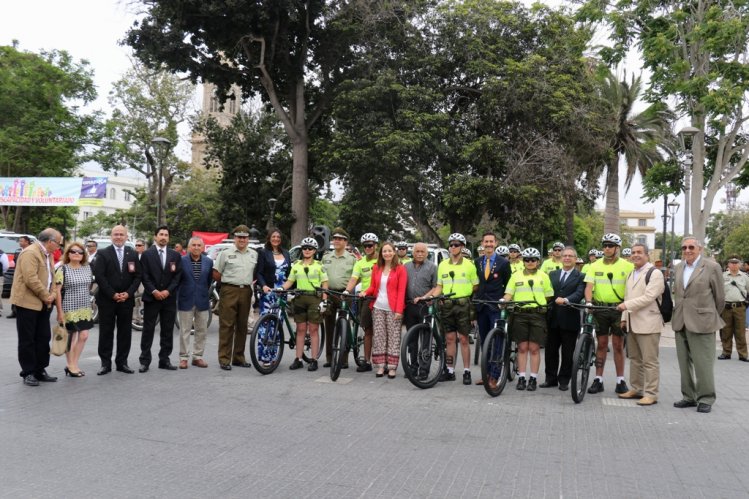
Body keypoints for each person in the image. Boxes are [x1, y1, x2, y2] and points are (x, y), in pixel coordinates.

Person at [672, 236, 724, 413]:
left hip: (703, 321)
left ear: (700, 249)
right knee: (684, 362)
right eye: (684, 247)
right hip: (681, 321)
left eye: (691, 247)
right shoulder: (679, 267)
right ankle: (689, 396)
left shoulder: (712, 267)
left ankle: (706, 398)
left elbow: (720, 298)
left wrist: (708, 315)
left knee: (703, 363)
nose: (687, 250)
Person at [419, 233, 478, 385]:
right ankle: (450, 371)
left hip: (463, 305)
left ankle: (467, 371)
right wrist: (432, 297)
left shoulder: (470, 265)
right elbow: (439, 286)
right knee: (450, 339)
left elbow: (475, 285)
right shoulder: (443, 265)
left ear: (462, 247)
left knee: (464, 339)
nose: (453, 247)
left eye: (456, 245)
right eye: (451, 245)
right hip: (447, 305)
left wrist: (465, 294)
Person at [614, 243, 664, 406]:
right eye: (633, 252)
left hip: (648, 322)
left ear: (647, 255)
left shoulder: (654, 273)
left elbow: (649, 297)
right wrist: (623, 318)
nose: (635, 255)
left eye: (639, 252)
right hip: (631, 322)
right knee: (635, 358)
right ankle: (637, 388)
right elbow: (626, 298)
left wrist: (626, 306)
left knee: (649, 360)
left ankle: (651, 393)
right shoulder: (631, 274)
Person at [584, 233, 634, 394]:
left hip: (619, 309)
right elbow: (589, 287)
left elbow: (632, 287)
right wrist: (589, 302)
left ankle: (620, 380)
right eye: (604, 245)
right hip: (600, 309)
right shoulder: (594, 265)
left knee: (618, 345)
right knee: (602, 345)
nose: (606, 248)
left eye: (610, 246)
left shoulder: (627, 266)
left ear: (617, 248)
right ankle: (598, 379)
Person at [11, 228, 62, 386]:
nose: (59, 246)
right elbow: (30, 279)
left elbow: (52, 278)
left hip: (44, 303)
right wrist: (46, 296)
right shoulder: (30, 253)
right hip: (28, 303)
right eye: (58, 243)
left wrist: (52, 294)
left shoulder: (48, 254)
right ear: (49, 241)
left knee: (43, 337)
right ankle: (28, 372)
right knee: (27, 339)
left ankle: (40, 369)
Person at [503, 247, 553, 391]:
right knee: (522, 347)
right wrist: (504, 300)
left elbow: (549, 295)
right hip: (520, 314)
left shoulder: (544, 276)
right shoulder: (516, 276)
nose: (530, 262)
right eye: (527, 260)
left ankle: (533, 379)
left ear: (538, 261)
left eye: (533, 260)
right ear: (523, 261)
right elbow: (509, 294)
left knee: (534, 348)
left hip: (537, 315)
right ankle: (522, 378)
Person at [94, 225, 141, 375]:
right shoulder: (102, 253)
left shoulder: (132, 254)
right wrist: (113, 294)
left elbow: (137, 276)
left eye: (122, 234)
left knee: (125, 332)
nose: (119, 237)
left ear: (127, 237)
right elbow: (99, 277)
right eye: (116, 234)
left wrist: (128, 293)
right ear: (111, 236)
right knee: (106, 332)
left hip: (126, 300)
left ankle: (122, 363)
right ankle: (105, 364)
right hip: (107, 300)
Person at [279, 237, 329, 371]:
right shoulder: (296, 265)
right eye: (305, 248)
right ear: (302, 250)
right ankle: (298, 359)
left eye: (310, 248)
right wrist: (282, 288)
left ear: (314, 251)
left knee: (313, 330)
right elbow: (290, 281)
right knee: (300, 330)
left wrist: (324, 301)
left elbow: (325, 284)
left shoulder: (319, 266)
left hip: (314, 298)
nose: (307, 250)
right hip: (300, 298)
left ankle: (314, 359)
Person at [213, 224, 258, 371]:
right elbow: (216, 273)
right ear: (234, 238)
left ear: (248, 239)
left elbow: (255, 273)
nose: (242, 240)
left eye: (244, 237)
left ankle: (238, 357)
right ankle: (224, 359)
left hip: (246, 291)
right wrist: (228, 284)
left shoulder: (253, 254)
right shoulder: (225, 253)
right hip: (229, 290)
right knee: (227, 325)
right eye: (239, 237)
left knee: (242, 326)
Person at [138, 226, 183, 372]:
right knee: (148, 330)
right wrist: (154, 291)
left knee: (167, 330)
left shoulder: (175, 255)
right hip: (152, 298)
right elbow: (144, 275)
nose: (163, 237)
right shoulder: (146, 254)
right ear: (155, 236)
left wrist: (167, 291)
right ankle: (145, 360)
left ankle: (164, 360)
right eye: (161, 234)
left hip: (169, 299)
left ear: (169, 238)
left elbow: (177, 276)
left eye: (166, 235)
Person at [542, 246, 585, 391]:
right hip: (552, 318)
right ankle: (550, 379)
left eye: (570, 256)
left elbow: (579, 294)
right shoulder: (552, 274)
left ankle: (564, 380)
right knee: (550, 351)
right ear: (561, 258)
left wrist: (567, 299)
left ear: (575, 259)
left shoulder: (581, 276)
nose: (567, 258)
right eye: (565, 256)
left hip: (569, 319)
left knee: (568, 352)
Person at [362, 242, 407, 378]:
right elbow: (373, 286)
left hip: (393, 309)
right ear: (381, 253)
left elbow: (401, 291)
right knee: (380, 338)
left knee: (393, 338)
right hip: (377, 307)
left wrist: (399, 310)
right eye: (384, 251)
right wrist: (365, 292)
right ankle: (381, 366)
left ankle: (392, 367)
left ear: (394, 252)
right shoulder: (377, 267)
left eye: (389, 251)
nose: (387, 253)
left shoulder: (400, 269)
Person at [473, 232, 511, 385]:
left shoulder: (503, 263)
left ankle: (495, 376)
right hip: (481, 306)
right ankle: (486, 373)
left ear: (495, 243)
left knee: (496, 342)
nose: (488, 244)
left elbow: (508, 284)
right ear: (482, 243)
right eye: (486, 241)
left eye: (491, 241)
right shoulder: (477, 262)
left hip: (496, 307)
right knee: (484, 342)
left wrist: (505, 302)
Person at [54, 242, 94, 378]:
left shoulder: (87, 268)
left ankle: (74, 363)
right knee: (70, 338)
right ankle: (71, 365)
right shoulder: (62, 269)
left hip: (85, 308)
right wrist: (60, 312)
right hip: (68, 308)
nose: (76, 254)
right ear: (68, 254)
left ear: (83, 255)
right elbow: (57, 292)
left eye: (80, 252)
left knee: (83, 336)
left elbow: (88, 286)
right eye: (73, 251)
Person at [255, 228, 292, 367]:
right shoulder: (264, 253)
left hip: (282, 293)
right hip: (269, 292)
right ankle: (264, 356)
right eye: (273, 236)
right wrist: (263, 285)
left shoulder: (286, 253)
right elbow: (258, 273)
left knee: (277, 325)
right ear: (269, 238)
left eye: (278, 236)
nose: (276, 239)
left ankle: (273, 355)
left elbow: (290, 274)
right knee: (265, 325)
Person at [320, 227, 355, 368]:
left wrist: (349, 290)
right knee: (329, 326)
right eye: (334, 238)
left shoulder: (352, 259)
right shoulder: (326, 257)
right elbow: (322, 277)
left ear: (346, 242)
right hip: (329, 293)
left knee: (344, 326)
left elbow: (356, 277)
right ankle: (329, 357)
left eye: (340, 239)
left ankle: (344, 358)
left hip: (344, 294)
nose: (336, 241)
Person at [344, 233, 379, 372]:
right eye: (365, 246)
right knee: (368, 330)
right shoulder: (360, 262)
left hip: (382, 298)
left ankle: (386, 361)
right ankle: (367, 360)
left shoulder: (383, 260)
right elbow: (354, 279)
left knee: (384, 331)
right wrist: (347, 291)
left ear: (376, 245)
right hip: (366, 298)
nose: (368, 248)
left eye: (370, 245)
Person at [177, 236, 213, 369]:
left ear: (203, 247)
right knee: (185, 330)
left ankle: (197, 357)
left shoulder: (208, 262)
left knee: (202, 330)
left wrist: (202, 292)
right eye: (194, 245)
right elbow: (178, 280)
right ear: (189, 247)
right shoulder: (181, 261)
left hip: (202, 299)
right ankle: (183, 357)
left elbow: (208, 281)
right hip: (185, 299)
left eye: (199, 245)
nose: (196, 247)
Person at [718, 255, 749, 361]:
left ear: (739, 265)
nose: (734, 265)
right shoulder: (723, 276)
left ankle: (743, 354)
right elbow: (719, 291)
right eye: (732, 263)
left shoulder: (744, 277)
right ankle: (726, 352)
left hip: (740, 308)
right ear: (728, 265)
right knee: (726, 331)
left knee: (740, 332)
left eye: (736, 263)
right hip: (726, 307)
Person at [7, 235, 32, 319]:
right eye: (19, 241)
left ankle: (23, 312)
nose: (20, 242)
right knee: (15, 292)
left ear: (27, 242)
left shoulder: (31, 251)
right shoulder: (18, 251)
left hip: (27, 275)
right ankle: (14, 311)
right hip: (17, 275)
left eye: (22, 241)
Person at [132, 239, 146, 326]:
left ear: (144, 247)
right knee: (135, 300)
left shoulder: (147, 256)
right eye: (136, 245)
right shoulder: (133, 255)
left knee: (142, 300)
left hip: (143, 281)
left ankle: (143, 318)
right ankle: (135, 319)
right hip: (133, 280)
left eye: (139, 245)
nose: (137, 247)